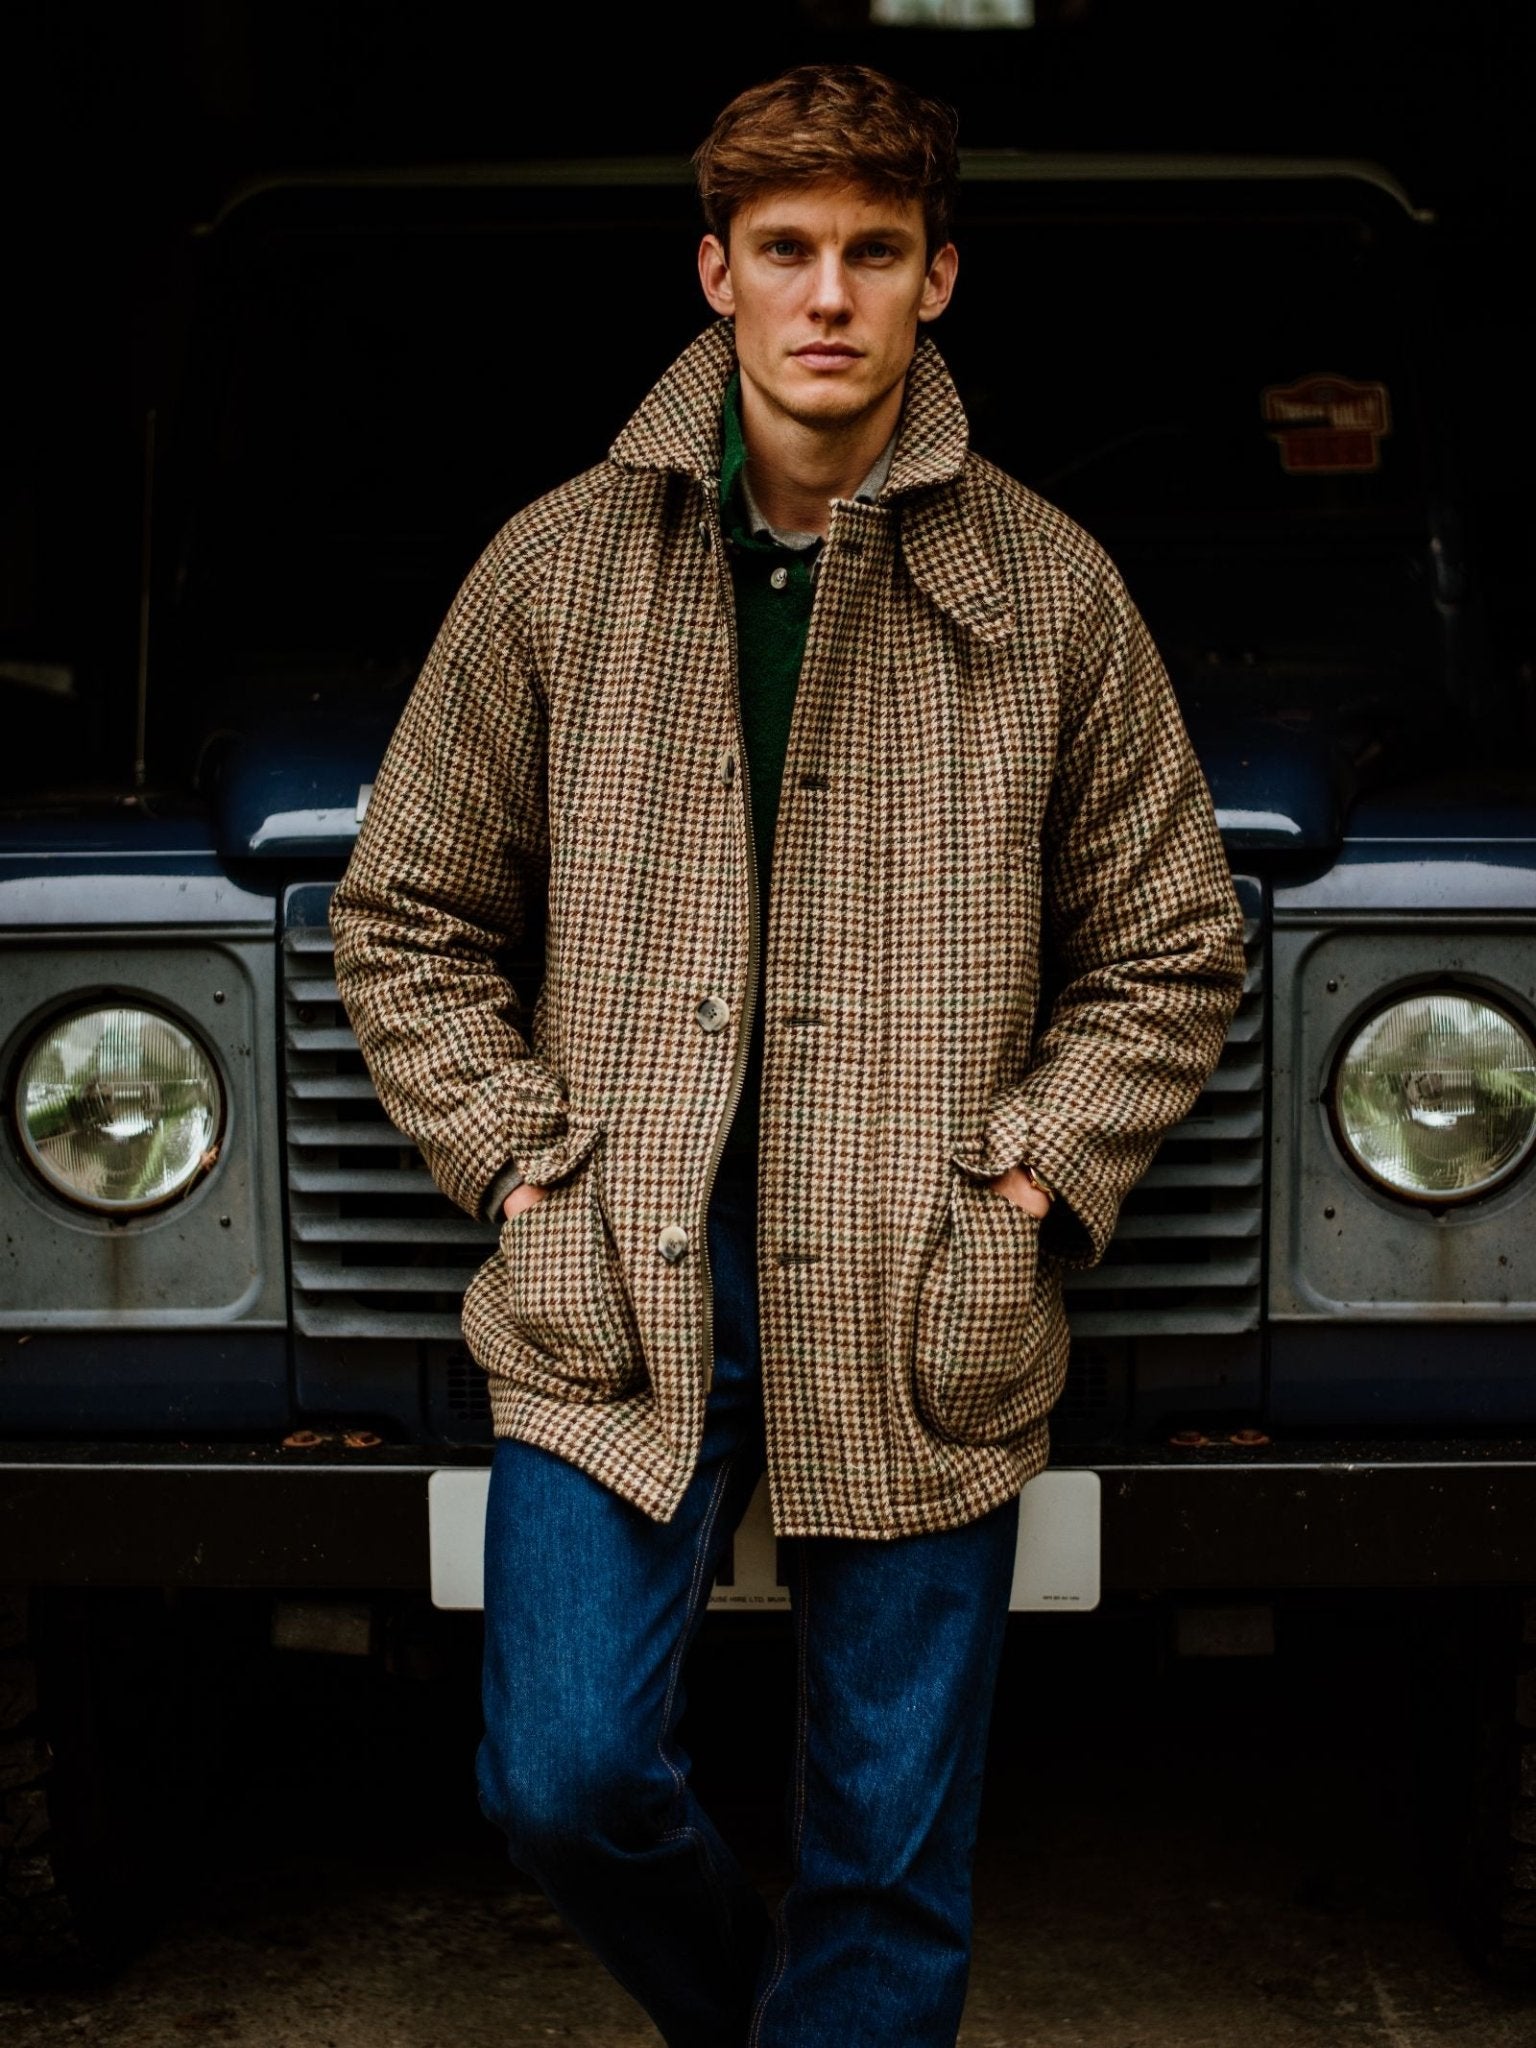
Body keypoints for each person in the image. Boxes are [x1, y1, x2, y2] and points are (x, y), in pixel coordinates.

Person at [330, 62, 1246, 2048]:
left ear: (938, 281)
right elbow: (404, 913)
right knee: (561, 1778)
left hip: (927, 1282)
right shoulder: (557, 571)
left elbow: (1174, 938)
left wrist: (1026, 1178)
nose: (828, 293)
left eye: (873, 251)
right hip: (611, 1278)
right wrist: (513, 1158)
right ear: (715, 273)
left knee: (888, 1865)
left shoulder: (1051, 596)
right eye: (787, 251)